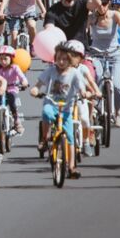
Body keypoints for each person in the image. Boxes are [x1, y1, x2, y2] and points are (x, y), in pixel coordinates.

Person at [29, 40, 87, 178]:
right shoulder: (51, 70)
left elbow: (81, 87)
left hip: (66, 109)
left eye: (64, 59)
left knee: (71, 138)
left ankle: (72, 167)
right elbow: (39, 84)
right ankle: (44, 138)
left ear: (70, 60)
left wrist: (84, 93)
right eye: (58, 59)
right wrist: (35, 89)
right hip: (52, 103)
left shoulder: (74, 73)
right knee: (46, 113)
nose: (61, 62)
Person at [84, 0, 120, 128]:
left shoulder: (115, 15)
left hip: (114, 54)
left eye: (105, 3)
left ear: (109, 3)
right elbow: (84, 32)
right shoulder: (91, 18)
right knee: (97, 78)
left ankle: (118, 111)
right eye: (99, 2)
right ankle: (97, 109)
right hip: (96, 54)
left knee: (117, 86)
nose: (102, 6)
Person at [0, 46, 28, 133]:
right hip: (1, 89)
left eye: (5, 59)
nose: (3, 61)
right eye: (1, 59)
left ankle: (17, 121)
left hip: (12, 88)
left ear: (11, 58)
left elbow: (22, 77)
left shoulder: (15, 68)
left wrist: (24, 82)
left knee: (12, 101)